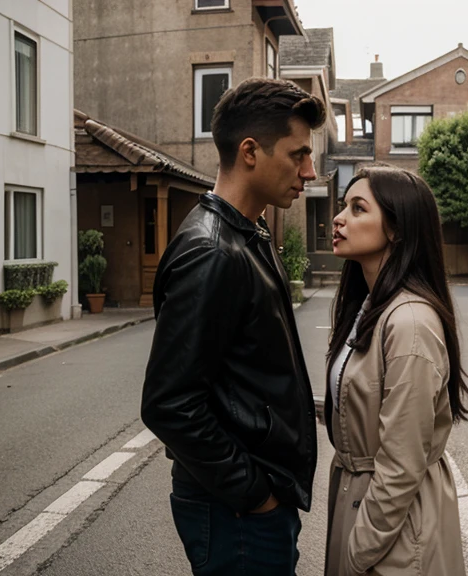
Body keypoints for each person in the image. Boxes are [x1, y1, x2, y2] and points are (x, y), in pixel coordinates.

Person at [141, 77, 326, 575]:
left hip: (251, 503)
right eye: (298, 154)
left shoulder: (248, 234)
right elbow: (169, 404)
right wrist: (254, 493)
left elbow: (244, 376)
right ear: (250, 151)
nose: (310, 171)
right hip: (238, 511)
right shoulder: (213, 251)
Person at [323, 166, 468, 575]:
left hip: (396, 533)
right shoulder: (370, 307)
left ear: (396, 230)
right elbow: (360, 397)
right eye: (343, 206)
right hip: (361, 507)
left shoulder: (409, 322)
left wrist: (359, 551)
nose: (339, 218)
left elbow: (402, 463)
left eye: (357, 209)